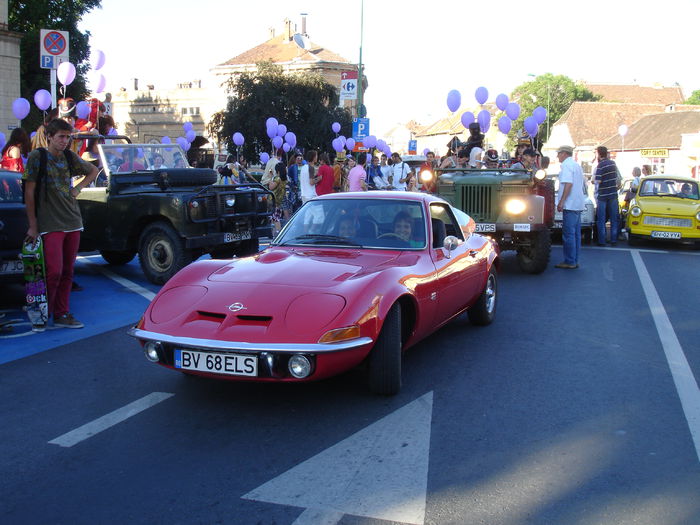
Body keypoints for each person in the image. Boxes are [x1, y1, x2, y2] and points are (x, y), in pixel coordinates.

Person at [22, 119, 99, 329]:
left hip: (73, 220)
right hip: (50, 223)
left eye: (68, 137)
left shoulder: (69, 156)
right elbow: (29, 192)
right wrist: (33, 224)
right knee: (53, 270)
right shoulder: (38, 157)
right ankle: (43, 309)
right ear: (49, 136)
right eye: (61, 137)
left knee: (67, 271)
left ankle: (62, 313)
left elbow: (94, 170)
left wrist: (77, 189)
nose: (65, 141)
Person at [555, 145, 585, 269]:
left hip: (570, 204)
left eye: (558, 153)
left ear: (564, 154)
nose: (557, 156)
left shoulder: (566, 166)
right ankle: (574, 259)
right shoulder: (576, 165)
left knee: (568, 234)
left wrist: (561, 201)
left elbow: (568, 184)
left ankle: (570, 260)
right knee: (575, 234)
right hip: (577, 203)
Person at [593, 146, 619, 246]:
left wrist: (594, 180)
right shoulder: (613, 163)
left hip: (603, 195)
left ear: (599, 154)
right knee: (614, 218)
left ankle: (602, 241)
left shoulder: (600, 166)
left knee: (601, 219)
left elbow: (598, 181)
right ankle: (613, 239)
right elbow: (616, 178)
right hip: (613, 194)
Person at [268, 160, 287, 235]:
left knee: (276, 218)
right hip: (279, 201)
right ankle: (275, 233)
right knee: (275, 217)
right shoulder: (284, 179)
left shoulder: (277, 179)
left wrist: (270, 178)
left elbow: (271, 187)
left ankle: (278, 233)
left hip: (274, 201)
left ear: (278, 170)